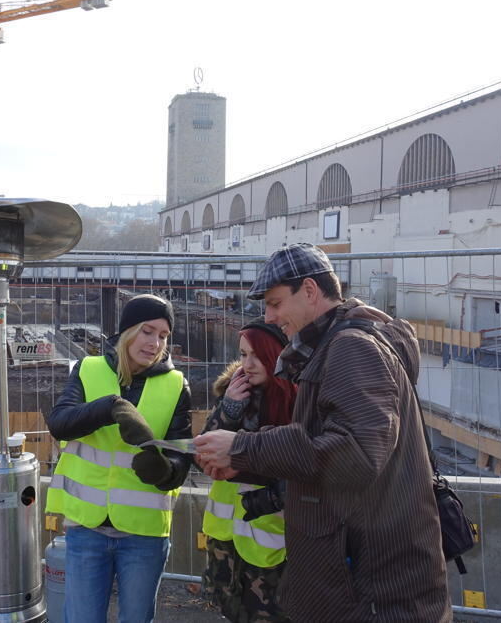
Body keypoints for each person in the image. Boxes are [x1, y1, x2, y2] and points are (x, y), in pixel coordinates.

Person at [194, 243, 451, 622]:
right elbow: (335, 452)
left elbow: (356, 454)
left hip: (371, 594)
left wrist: (245, 448)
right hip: (366, 583)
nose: (269, 316)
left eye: (276, 303)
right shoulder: (340, 346)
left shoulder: (350, 349)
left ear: (310, 290)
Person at [45, 294, 193, 623]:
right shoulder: (88, 369)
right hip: (88, 527)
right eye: (147, 331)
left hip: (144, 533)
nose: (155, 343)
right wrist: (108, 407)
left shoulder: (176, 385)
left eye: (163, 336)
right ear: (127, 331)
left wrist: (164, 471)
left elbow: (181, 460)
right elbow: (60, 423)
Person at [199, 321, 295, 623]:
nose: (248, 364)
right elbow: (202, 452)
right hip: (225, 541)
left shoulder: (298, 400)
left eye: (257, 355)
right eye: (243, 354)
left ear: (277, 356)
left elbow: (302, 468)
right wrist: (227, 410)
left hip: (271, 545)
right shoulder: (234, 393)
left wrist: (241, 467)